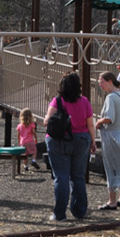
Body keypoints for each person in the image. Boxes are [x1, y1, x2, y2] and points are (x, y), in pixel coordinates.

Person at [45, 72, 96, 221]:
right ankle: (79, 211)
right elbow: (90, 124)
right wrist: (93, 142)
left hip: (59, 141)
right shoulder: (85, 101)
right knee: (78, 176)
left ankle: (59, 214)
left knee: (61, 177)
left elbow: (47, 121)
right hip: (81, 139)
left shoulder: (57, 101)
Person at [95, 72, 120, 210]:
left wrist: (99, 121)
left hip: (112, 136)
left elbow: (109, 118)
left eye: (102, 82)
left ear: (110, 81)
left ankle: (112, 200)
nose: (100, 85)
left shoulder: (111, 98)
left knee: (112, 167)